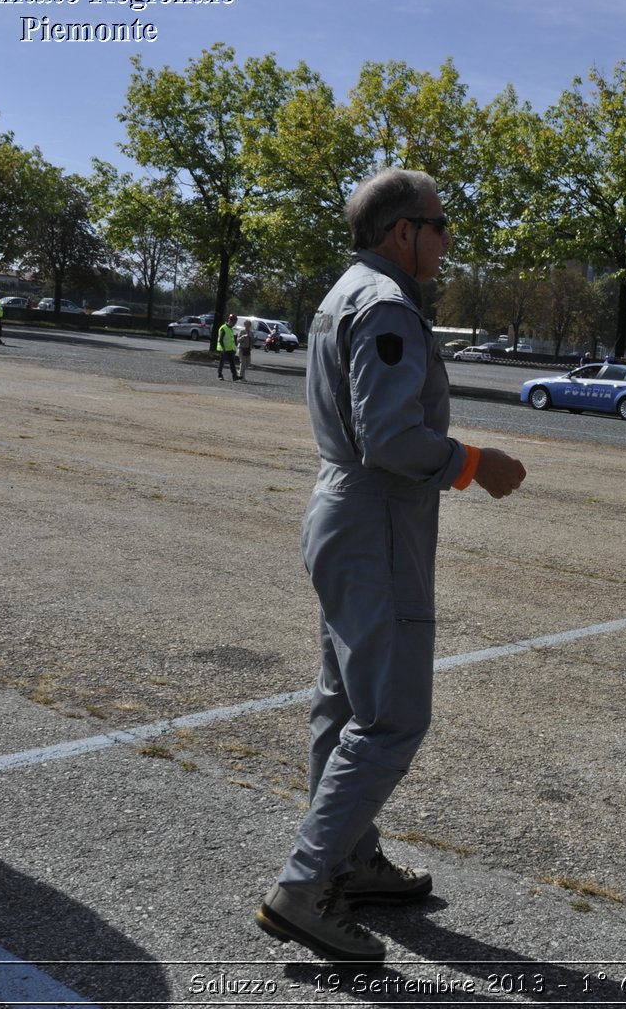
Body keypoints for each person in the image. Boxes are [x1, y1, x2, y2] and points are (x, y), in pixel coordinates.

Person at [255, 168, 526, 967]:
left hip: (347, 511)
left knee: (341, 705)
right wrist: (477, 461)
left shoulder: (350, 292)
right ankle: (305, 886)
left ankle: (349, 861)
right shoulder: (386, 305)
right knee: (392, 716)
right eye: (440, 226)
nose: (447, 241)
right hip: (376, 519)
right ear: (402, 231)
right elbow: (391, 438)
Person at [215, 313, 239, 381]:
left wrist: (234, 347)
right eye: (233, 321)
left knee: (232, 363)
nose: (234, 323)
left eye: (235, 322)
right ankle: (220, 375)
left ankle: (235, 376)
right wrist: (223, 348)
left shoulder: (231, 329)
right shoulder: (224, 328)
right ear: (229, 320)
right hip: (224, 349)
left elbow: (231, 339)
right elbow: (220, 339)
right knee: (221, 362)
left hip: (230, 349)